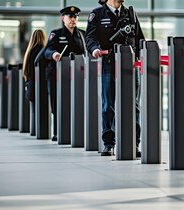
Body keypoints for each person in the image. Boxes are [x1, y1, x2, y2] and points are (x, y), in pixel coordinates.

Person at [86, 0, 145, 156]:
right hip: (109, 64)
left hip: (130, 66)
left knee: (133, 105)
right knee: (108, 105)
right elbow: (90, 38)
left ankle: (134, 143)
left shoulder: (130, 13)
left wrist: (143, 58)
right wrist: (94, 49)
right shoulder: (97, 14)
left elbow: (139, 39)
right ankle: (108, 144)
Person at [41, 5, 87, 142]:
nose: (73, 19)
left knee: (77, 103)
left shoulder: (82, 35)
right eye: (70, 17)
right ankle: (58, 131)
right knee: (58, 104)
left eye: (75, 17)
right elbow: (47, 51)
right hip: (57, 75)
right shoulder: (56, 34)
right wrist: (54, 54)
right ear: (63, 18)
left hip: (77, 75)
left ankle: (76, 131)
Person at [23, 29, 46, 136]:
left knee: (34, 110)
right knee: (40, 109)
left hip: (30, 83)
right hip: (39, 84)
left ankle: (34, 131)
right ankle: (39, 131)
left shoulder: (29, 51)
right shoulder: (41, 50)